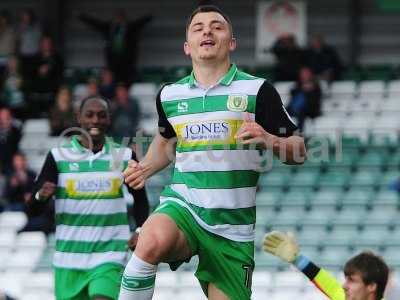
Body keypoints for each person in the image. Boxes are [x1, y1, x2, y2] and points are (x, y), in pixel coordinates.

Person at [119, 5, 306, 300]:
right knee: (150, 243)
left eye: (217, 26)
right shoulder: (169, 95)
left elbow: (299, 151)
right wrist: (144, 168)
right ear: (187, 46)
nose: (207, 31)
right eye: (198, 28)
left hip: (233, 228)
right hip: (185, 206)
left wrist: (268, 138)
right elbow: (167, 142)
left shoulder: (257, 91)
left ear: (231, 43)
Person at [27, 95, 150, 300]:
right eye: (90, 115)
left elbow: (141, 199)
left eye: (102, 115)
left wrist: (139, 230)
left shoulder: (124, 156)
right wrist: (41, 196)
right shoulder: (58, 156)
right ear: (79, 118)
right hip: (69, 259)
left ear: (109, 119)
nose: (95, 120)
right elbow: (32, 210)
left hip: (110, 254)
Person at [263, 231, 389, 300]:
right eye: (346, 280)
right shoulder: (343, 296)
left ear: (371, 286)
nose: (344, 286)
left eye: (352, 281)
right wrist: (296, 259)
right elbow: (321, 277)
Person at [78, 10, 153, 83]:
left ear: (124, 19)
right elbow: (96, 24)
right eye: (117, 19)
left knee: (126, 80)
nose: (119, 20)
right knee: (113, 80)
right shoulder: (110, 28)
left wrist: (150, 16)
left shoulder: (130, 27)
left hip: (127, 62)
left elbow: (140, 23)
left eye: (121, 18)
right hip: (113, 62)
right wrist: (83, 17)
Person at [286, 67, 322, 132]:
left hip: (310, 109)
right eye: (302, 74)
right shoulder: (298, 84)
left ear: (310, 75)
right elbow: (292, 93)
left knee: (301, 113)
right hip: (296, 108)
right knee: (283, 111)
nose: (304, 76)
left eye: (305, 74)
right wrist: (302, 88)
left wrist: (310, 90)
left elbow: (315, 100)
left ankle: (300, 134)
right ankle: (282, 132)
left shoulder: (316, 85)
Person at [0, 108, 22, 174]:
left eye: (5, 115)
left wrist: (8, 126)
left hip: (10, 163)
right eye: (1, 114)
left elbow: (15, 142)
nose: (3, 117)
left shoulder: (15, 130)